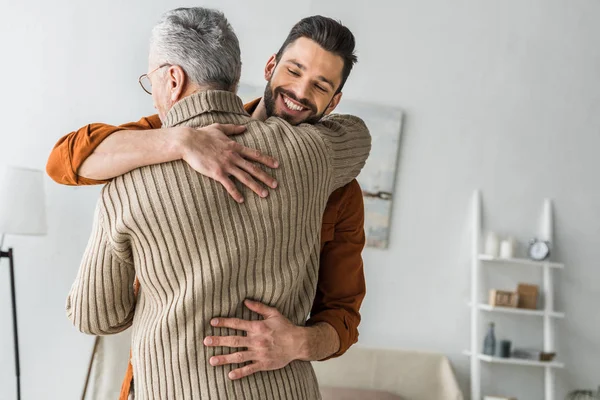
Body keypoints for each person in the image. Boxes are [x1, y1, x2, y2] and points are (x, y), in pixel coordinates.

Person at [47, 13, 368, 396]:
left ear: (334, 101)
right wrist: (181, 142)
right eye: (294, 71)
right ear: (270, 66)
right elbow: (63, 159)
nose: (299, 92)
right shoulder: (163, 138)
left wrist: (299, 342)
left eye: (319, 85)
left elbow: (343, 314)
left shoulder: (336, 182)